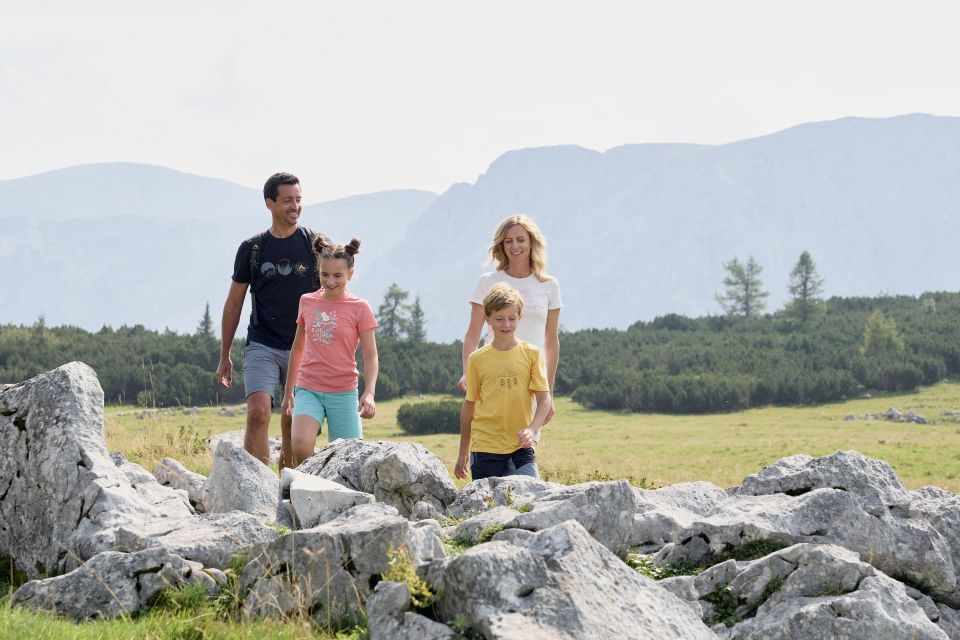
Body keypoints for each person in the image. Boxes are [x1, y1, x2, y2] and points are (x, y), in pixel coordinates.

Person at [216, 173, 325, 469]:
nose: (295, 206)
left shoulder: (317, 245)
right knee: (257, 413)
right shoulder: (252, 249)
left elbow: (337, 296)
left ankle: (289, 485)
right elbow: (234, 303)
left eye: (298, 200)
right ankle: (257, 488)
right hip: (262, 343)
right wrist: (224, 355)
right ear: (270, 203)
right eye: (287, 200)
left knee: (292, 416)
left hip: (304, 347)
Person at [458, 214, 562, 434]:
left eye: (521, 239)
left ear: (532, 242)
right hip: (491, 374)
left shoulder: (550, 286)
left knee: (525, 446)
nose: (515, 246)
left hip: (531, 379)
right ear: (501, 246)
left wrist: (548, 393)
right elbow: (472, 334)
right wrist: (468, 373)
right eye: (508, 241)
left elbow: (551, 344)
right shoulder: (488, 281)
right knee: (490, 442)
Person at [281, 237, 379, 466]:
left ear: (350, 274)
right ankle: (312, 490)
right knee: (301, 445)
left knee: (348, 460)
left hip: (344, 393)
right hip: (308, 388)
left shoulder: (360, 307)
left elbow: (371, 355)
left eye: (338, 276)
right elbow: (297, 348)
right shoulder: (307, 302)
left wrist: (370, 393)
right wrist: (289, 391)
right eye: (325, 274)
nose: (330, 281)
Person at [455, 283, 551, 481]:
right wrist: (464, 452)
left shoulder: (533, 354)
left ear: (520, 318)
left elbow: (544, 399)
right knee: (488, 506)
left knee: (531, 498)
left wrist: (532, 430)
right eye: (499, 319)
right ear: (487, 319)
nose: (506, 324)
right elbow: (469, 407)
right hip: (485, 447)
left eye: (511, 318)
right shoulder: (477, 359)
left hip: (521, 446)